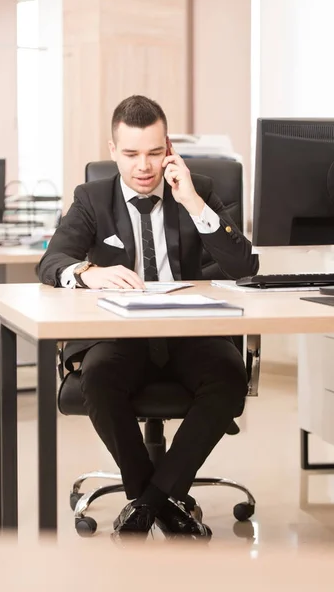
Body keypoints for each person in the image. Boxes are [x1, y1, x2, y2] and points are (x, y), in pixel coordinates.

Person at [38, 95, 259, 537]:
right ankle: (162, 501)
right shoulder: (92, 197)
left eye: (155, 153)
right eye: (132, 154)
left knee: (228, 375)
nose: (144, 166)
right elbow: (51, 261)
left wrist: (194, 203)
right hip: (120, 337)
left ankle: (146, 505)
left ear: (169, 148)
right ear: (112, 150)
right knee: (98, 378)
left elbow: (243, 267)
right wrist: (88, 271)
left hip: (190, 333)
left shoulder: (200, 190)